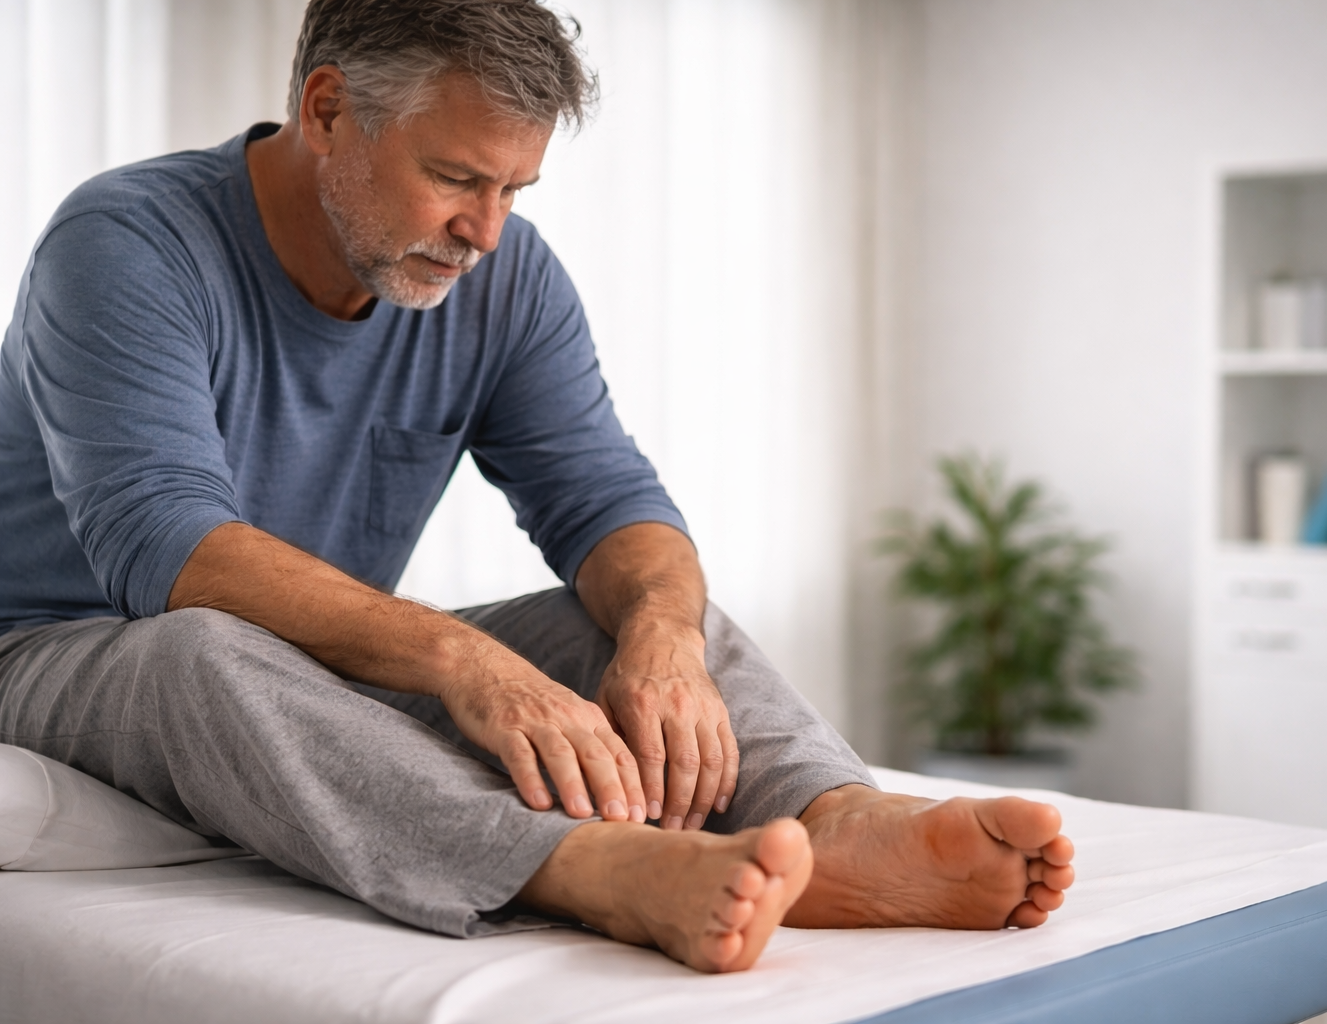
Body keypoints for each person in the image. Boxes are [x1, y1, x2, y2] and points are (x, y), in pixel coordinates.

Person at [0, 0, 1074, 973]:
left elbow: (610, 503)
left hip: (308, 662)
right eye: (458, 178)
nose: (487, 231)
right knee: (202, 648)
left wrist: (663, 641)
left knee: (640, 613)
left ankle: (837, 826)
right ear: (327, 110)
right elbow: (168, 551)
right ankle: (593, 869)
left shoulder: (506, 278)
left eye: (515, 187)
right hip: (63, 647)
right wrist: (463, 658)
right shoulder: (128, 241)